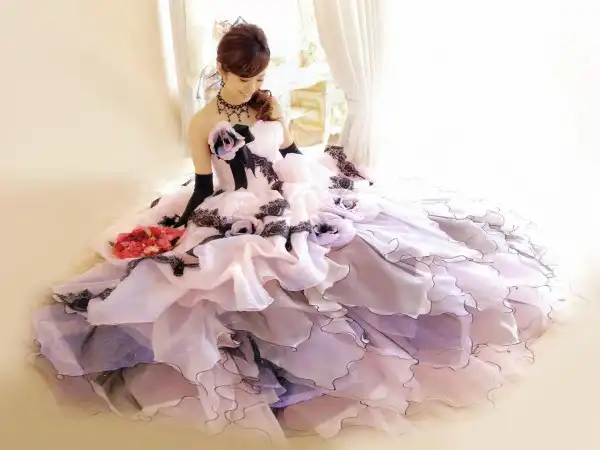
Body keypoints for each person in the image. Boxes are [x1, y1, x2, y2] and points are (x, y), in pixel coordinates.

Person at [32, 22, 563, 442]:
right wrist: (178, 224)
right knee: (240, 277)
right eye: (244, 79)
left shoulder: (268, 101)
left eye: (259, 77)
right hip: (235, 202)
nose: (254, 87)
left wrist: (310, 178)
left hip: (290, 187)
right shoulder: (202, 123)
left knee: (356, 243)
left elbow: (286, 152)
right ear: (222, 69)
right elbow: (204, 184)